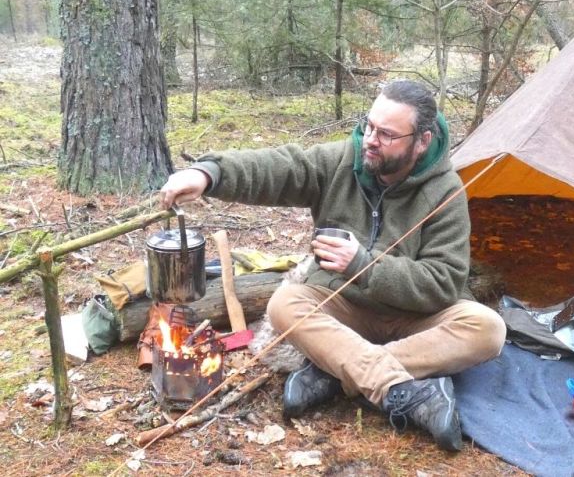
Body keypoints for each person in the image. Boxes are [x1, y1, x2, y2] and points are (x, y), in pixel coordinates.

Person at [159, 80, 506, 451]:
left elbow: (443, 283)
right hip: (343, 310)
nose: (370, 139)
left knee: (488, 329)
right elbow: (279, 167)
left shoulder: (446, 192)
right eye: (369, 125)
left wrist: (365, 265)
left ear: (421, 141)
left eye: (387, 134)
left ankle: (332, 373)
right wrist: (210, 174)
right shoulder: (343, 160)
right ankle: (403, 390)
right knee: (284, 304)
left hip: (414, 316)